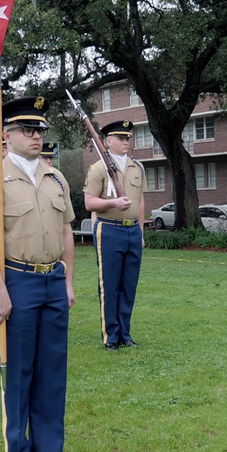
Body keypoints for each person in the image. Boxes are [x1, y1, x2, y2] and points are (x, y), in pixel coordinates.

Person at [0, 96, 78, 452]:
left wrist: (68, 281)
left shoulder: (56, 177)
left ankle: (50, 449)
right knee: (18, 371)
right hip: (18, 280)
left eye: (40, 130)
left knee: (52, 369)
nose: (36, 136)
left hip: (52, 279)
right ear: (6, 136)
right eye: (27, 130)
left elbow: (66, 232)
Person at [84, 120, 146, 351]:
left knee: (129, 285)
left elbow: (140, 201)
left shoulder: (137, 167)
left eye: (127, 138)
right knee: (110, 285)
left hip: (132, 231)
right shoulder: (98, 168)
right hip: (109, 229)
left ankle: (125, 333)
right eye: (120, 138)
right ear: (108, 142)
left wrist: (140, 230)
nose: (125, 142)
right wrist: (112, 202)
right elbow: (89, 202)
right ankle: (111, 335)